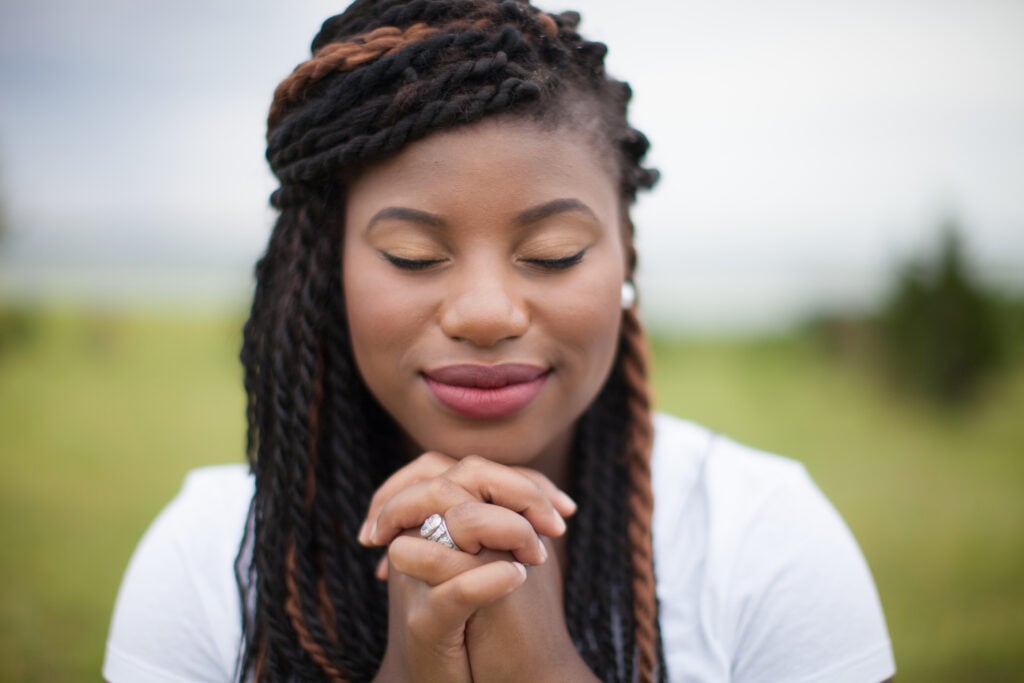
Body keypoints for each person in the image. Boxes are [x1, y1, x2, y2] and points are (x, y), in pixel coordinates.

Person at [103, 1, 896, 681]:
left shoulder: (765, 542)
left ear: (625, 252)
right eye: (413, 255)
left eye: (553, 252)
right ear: (326, 272)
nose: (485, 314)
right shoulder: (206, 560)